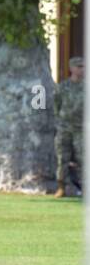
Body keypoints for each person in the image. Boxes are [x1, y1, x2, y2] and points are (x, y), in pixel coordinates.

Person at [54, 56, 84, 198]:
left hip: (82, 129)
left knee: (83, 159)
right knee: (62, 159)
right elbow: (56, 105)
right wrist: (60, 121)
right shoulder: (63, 87)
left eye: (83, 66)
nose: (82, 69)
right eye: (79, 66)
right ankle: (62, 187)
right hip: (64, 128)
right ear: (71, 68)